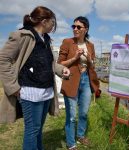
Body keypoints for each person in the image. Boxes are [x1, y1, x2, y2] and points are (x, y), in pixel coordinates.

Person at [0, 6, 70, 150]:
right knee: (32, 130)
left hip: (46, 92)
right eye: (53, 23)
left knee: (38, 129)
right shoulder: (22, 36)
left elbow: (50, 64)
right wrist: (12, 87)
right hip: (29, 93)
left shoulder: (46, 39)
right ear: (44, 21)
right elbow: (3, 59)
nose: (53, 26)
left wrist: (62, 69)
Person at [57, 16, 100, 150]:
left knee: (83, 113)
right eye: (73, 26)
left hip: (86, 80)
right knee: (71, 116)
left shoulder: (90, 45)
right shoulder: (67, 42)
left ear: (85, 29)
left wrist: (89, 59)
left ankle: (80, 135)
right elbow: (60, 64)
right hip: (71, 80)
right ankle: (71, 144)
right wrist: (75, 58)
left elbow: (93, 65)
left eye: (78, 27)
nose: (75, 29)